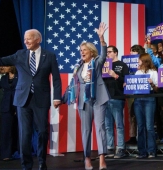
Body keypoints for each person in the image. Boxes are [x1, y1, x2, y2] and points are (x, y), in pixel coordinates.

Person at [0, 29, 62, 170]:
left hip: (41, 99)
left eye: (29, 38)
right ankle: (26, 165)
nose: (25, 41)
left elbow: (56, 79)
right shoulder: (20, 54)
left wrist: (57, 97)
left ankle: (41, 162)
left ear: (38, 40)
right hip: (22, 99)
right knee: (25, 134)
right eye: (25, 38)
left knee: (42, 132)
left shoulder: (49, 56)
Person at [72, 22, 108, 170]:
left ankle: (102, 160)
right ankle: (87, 158)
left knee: (100, 128)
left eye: (85, 50)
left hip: (99, 98)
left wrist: (102, 39)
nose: (82, 52)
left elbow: (104, 54)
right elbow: (74, 85)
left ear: (91, 51)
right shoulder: (78, 66)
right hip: (83, 100)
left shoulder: (97, 62)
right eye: (81, 50)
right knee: (85, 130)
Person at [103, 45, 129, 159]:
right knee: (108, 126)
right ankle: (110, 148)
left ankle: (121, 148)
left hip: (117, 97)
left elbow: (127, 80)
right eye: (107, 52)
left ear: (115, 53)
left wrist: (116, 76)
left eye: (109, 52)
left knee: (119, 125)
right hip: (105, 98)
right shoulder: (104, 65)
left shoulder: (122, 65)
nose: (107, 54)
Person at [133, 53, 158, 159]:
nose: (138, 62)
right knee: (140, 126)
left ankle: (151, 150)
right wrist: (127, 85)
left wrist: (152, 83)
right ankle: (142, 151)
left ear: (144, 61)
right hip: (138, 99)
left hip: (149, 98)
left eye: (139, 60)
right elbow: (133, 86)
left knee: (149, 126)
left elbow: (157, 88)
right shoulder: (137, 72)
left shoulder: (153, 72)